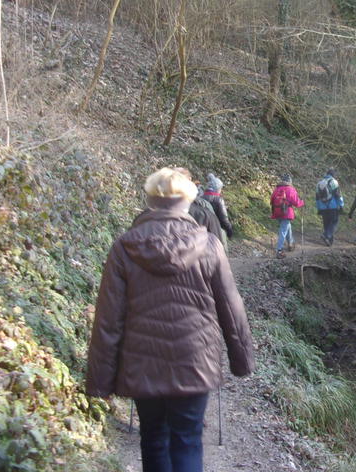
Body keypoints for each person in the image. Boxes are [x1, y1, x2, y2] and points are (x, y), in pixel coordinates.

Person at [86, 167, 254, 472]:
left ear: (150, 200)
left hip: (142, 362)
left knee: (153, 439)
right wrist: (241, 360)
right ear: (188, 202)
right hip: (194, 359)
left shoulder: (125, 247)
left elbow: (108, 320)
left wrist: (100, 380)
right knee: (188, 441)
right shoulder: (209, 246)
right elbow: (231, 308)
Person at [270, 173, 304, 259]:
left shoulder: (277, 189)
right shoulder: (290, 189)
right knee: (283, 230)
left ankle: (290, 244)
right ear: (289, 181)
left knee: (287, 226)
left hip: (277, 212)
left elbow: (271, 200)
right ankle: (279, 250)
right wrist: (302, 202)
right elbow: (296, 202)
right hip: (287, 212)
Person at [315, 168, 344, 246]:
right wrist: (341, 204)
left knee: (327, 224)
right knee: (334, 222)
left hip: (323, 207)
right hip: (333, 206)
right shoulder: (334, 182)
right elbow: (338, 195)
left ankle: (329, 242)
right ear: (333, 175)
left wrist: (319, 207)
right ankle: (326, 235)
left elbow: (317, 198)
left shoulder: (319, 183)